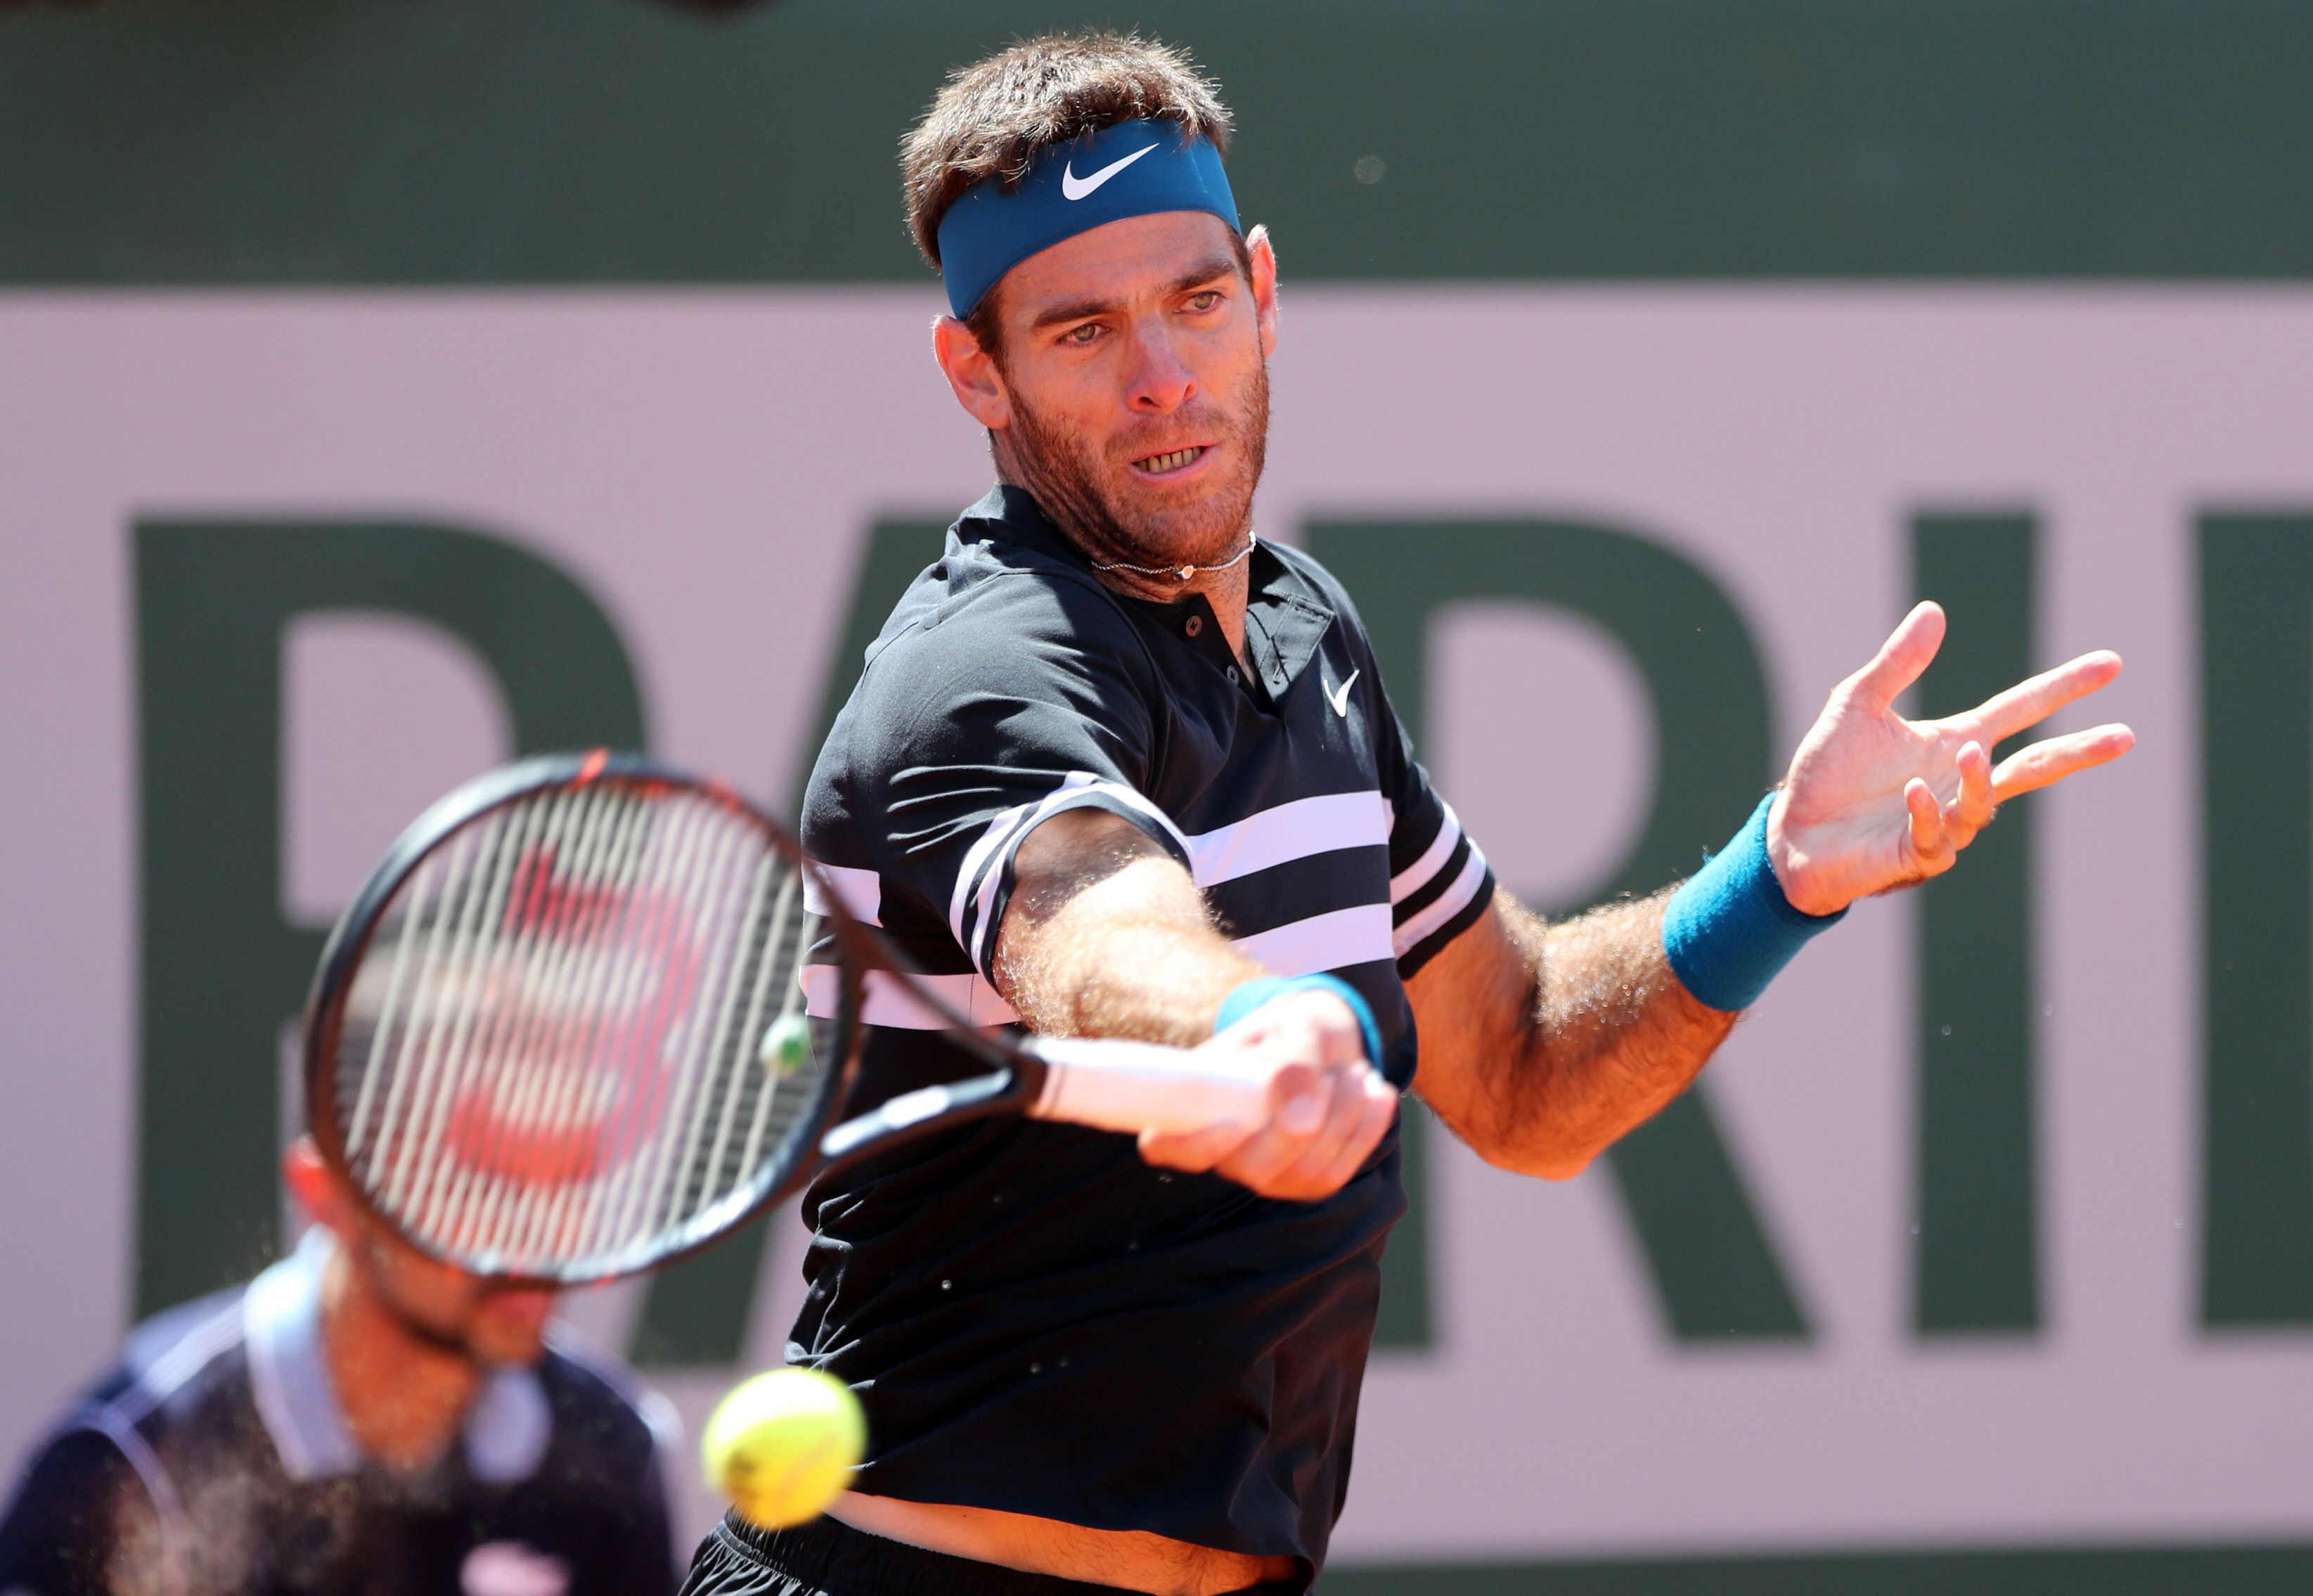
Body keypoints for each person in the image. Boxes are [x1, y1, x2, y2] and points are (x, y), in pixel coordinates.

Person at [681, 31, 2134, 1596]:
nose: (1162, 376)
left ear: (1262, 292)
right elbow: (1085, 916)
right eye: (1083, 330)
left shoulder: (1304, 632)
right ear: (979, 370)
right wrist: (1249, 1022)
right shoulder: (976, 671)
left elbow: (1520, 1069)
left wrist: (1774, 875)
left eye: (1195, 302)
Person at [0, 1137, 678, 1596]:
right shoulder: (132, 1462)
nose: (548, 1238)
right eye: (485, 1183)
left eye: (573, 1181)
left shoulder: (614, 1446)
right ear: (328, 1190)